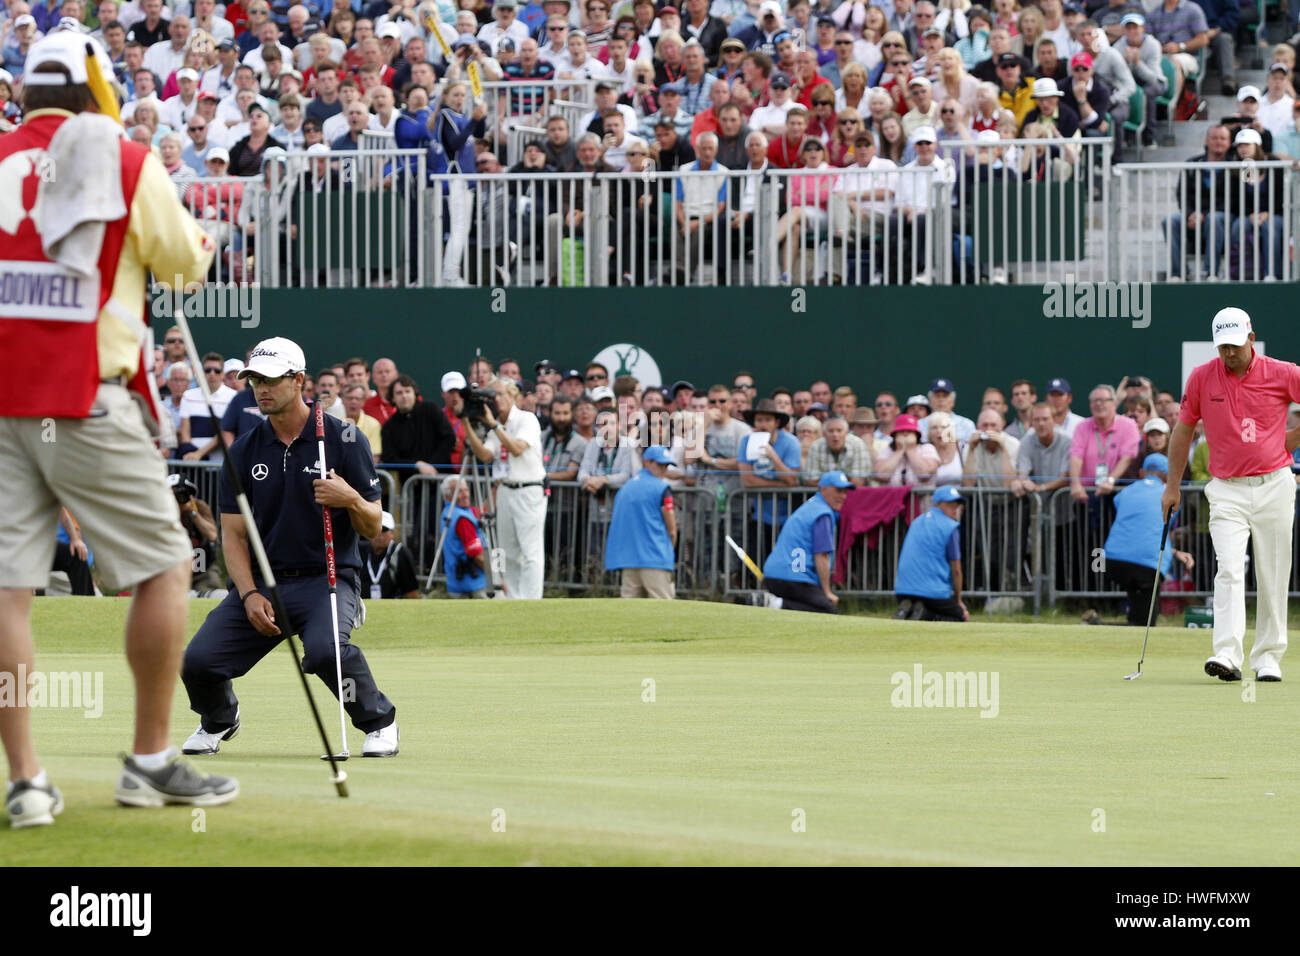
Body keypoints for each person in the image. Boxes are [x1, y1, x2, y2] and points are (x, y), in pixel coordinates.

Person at [1, 30, 238, 826]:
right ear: (94, 91)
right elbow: (186, 263)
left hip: (2, 400)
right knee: (167, 569)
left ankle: (27, 781)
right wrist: (196, 242)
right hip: (85, 397)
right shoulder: (127, 161)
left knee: (8, 595)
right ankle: (149, 762)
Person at [181, 337, 400, 758]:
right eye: (254, 380)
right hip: (264, 583)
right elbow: (234, 536)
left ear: (299, 380)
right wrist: (247, 595)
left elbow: (373, 524)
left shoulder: (345, 438)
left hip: (327, 578)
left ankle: (380, 722)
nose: (261, 388)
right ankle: (220, 719)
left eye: (271, 380)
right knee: (198, 661)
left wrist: (349, 498)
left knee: (324, 652)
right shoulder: (243, 450)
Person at [1164, 309, 1300, 683]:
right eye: (1222, 346)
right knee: (1228, 568)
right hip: (1226, 489)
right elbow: (1183, 430)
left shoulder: (1283, 372)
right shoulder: (1202, 377)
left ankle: (1268, 658)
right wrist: (1172, 485)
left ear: (1251, 339)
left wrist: (1289, 440)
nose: (1229, 353)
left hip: (1274, 484)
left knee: (1273, 574)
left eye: (1235, 346)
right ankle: (1227, 654)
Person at [463, 377, 547, 599]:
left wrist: (493, 425)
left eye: (500, 395)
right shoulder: (498, 427)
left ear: (513, 396)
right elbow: (485, 455)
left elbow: (517, 448)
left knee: (530, 551)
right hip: (505, 491)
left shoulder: (527, 419)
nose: (496, 400)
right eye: (493, 396)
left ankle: (531, 600)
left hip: (528, 489)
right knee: (508, 551)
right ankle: (513, 599)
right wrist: (466, 423)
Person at [1098, 454, 1194, 626]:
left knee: (1139, 617)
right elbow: (1158, 532)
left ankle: (1098, 625)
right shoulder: (1169, 497)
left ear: (1142, 472)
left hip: (1112, 562)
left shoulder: (1126, 491)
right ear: (1167, 475)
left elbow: (1139, 529)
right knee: (1145, 625)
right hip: (1148, 565)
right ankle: (1095, 626)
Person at [761, 469, 852, 613]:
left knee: (809, 610)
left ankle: (776, 603)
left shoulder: (811, 505)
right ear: (823, 489)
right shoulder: (822, 513)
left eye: (845, 492)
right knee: (829, 612)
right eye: (838, 491)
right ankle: (778, 604)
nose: (843, 496)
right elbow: (821, 555)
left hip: (775, 575)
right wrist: (826, 591)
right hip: (793, 577)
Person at [604, 445, 679, 598]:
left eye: (666, 466)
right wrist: (667, 551)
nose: (663, 469)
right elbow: (672, 530)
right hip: (656, 559)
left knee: (629, 613)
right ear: (647, 462)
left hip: (629, 560)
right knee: (662, 610)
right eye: (660, 464)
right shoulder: (662, 487)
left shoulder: (626, 487)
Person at [894, 484, 969, 621]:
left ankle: (908, 611)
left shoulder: (916, 521)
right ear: (938, 505)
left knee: (921, 605)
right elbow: (956, 569)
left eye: (957, 506)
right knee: (960, 617)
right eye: (950, 505)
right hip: (932, 592)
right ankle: (925, 615)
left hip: (903, 589)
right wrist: (958, 600)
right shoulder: (950, 526)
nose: (955, 510)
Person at [439, 477, 488, 598]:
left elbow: (484, 511)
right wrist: (497, 579)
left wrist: (497, 487)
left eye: (466, 490)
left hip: (456, 583)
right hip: (474, 585)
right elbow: (478, 556)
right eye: (460, 491)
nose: (465, 495)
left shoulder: (450, 512)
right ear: (448, 496)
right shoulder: (462, 519)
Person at [360, 510, 419, 599]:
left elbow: (411, 591)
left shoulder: (401, 553)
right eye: (376, 529)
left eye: (384, 530)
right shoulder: (360, 550)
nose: (380, 534)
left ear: (392, 533)